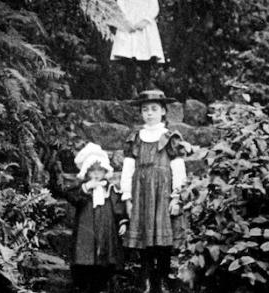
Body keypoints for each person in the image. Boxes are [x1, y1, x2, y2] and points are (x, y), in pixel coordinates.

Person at [119, 90, 189, 293]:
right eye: (145, 109)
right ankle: (147, 280)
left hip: (163, 193)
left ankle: (163, 278)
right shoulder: (135, 138)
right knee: (144, 239)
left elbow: (178, 168)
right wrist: (127, 197)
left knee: (163, 240)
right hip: (141, 193)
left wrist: (177, 196)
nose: (149, 113)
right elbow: (127, 169)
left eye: (154, 109)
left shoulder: (170, 137)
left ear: (164, 111)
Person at [69, 143, 129, 293]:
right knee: (85, 253)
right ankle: (83, 284)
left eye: (100, 170)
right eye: (92, 171)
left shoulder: (109, 189)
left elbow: (118, 205)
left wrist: (122, 221)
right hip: (87, 226)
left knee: (105, 255)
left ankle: (101, 283)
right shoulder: (83, 188)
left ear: (105, 171)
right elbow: (73, 198)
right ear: (87, 172)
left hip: (105, 226)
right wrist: (86, 188)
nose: (96, 174)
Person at [110, 0, 165, 97]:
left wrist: (146, 20)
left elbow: (154, 7)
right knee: (129, 58)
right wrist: (126, 21)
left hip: (145, 28)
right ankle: (131, 88)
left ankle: (146, 88)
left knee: (146, 57)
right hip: (128, 26)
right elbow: (119, 6)